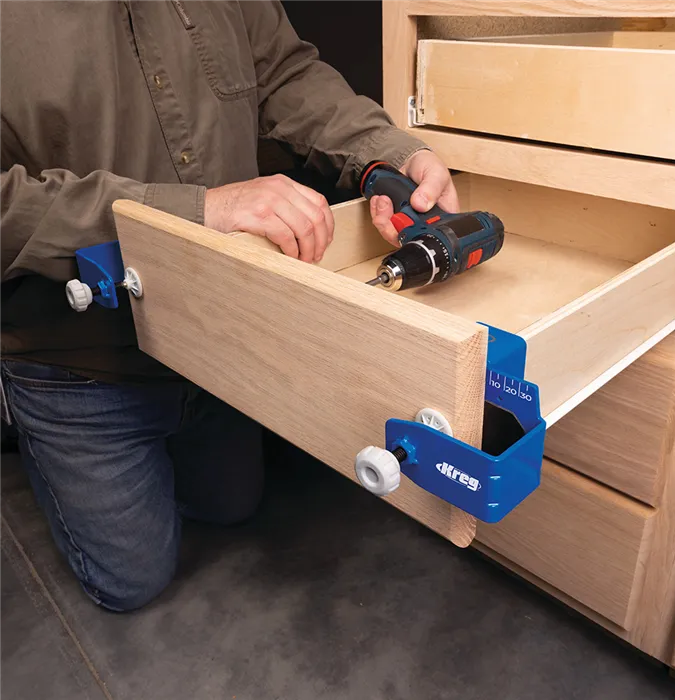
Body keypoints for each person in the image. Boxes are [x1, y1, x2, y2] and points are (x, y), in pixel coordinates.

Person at [0, 0, 459, 612]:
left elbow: (286, 74)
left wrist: (389, 153)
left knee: (232, 505)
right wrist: (196, 212)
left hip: (214, 335)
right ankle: (32, 423)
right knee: (132, 581)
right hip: (79, 361)